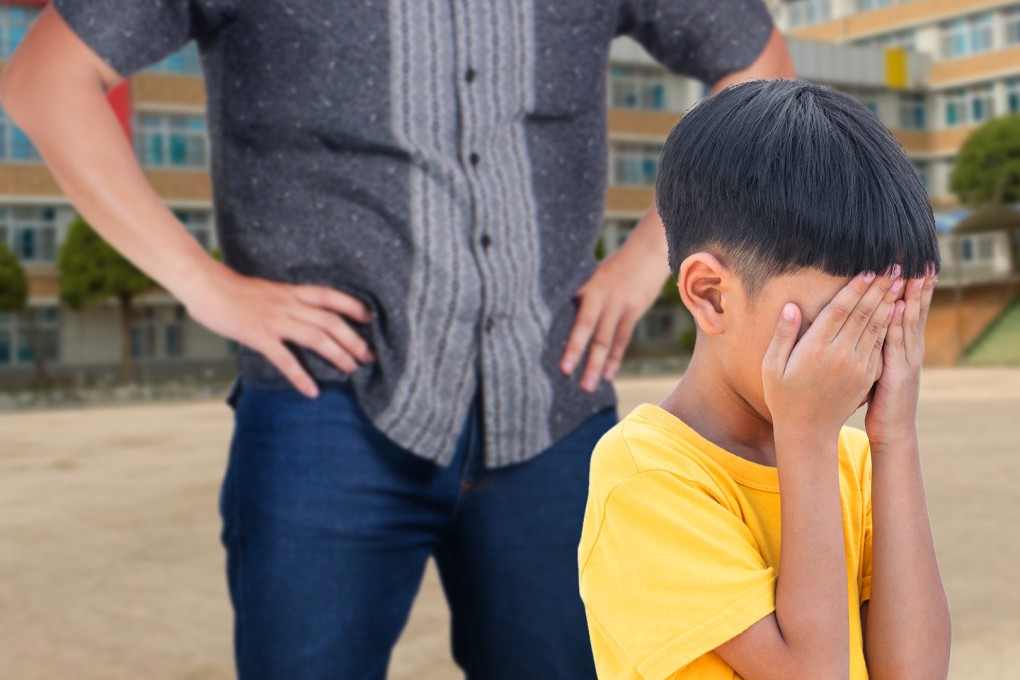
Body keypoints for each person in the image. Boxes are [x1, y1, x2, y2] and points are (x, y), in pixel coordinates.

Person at [1, 2, 793, 678]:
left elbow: (759, 65)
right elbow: (46, 77)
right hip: (324, 406)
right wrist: (203, 284)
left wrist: (652, 254)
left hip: (553, 399)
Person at [577, 79, 952, 680]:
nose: (865, 360)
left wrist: (895, 438)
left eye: (888, 322)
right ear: (711, 295)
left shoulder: (854, 461)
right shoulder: (646, 475)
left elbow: (917, 673)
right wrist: (806, 436)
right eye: (840, 325)